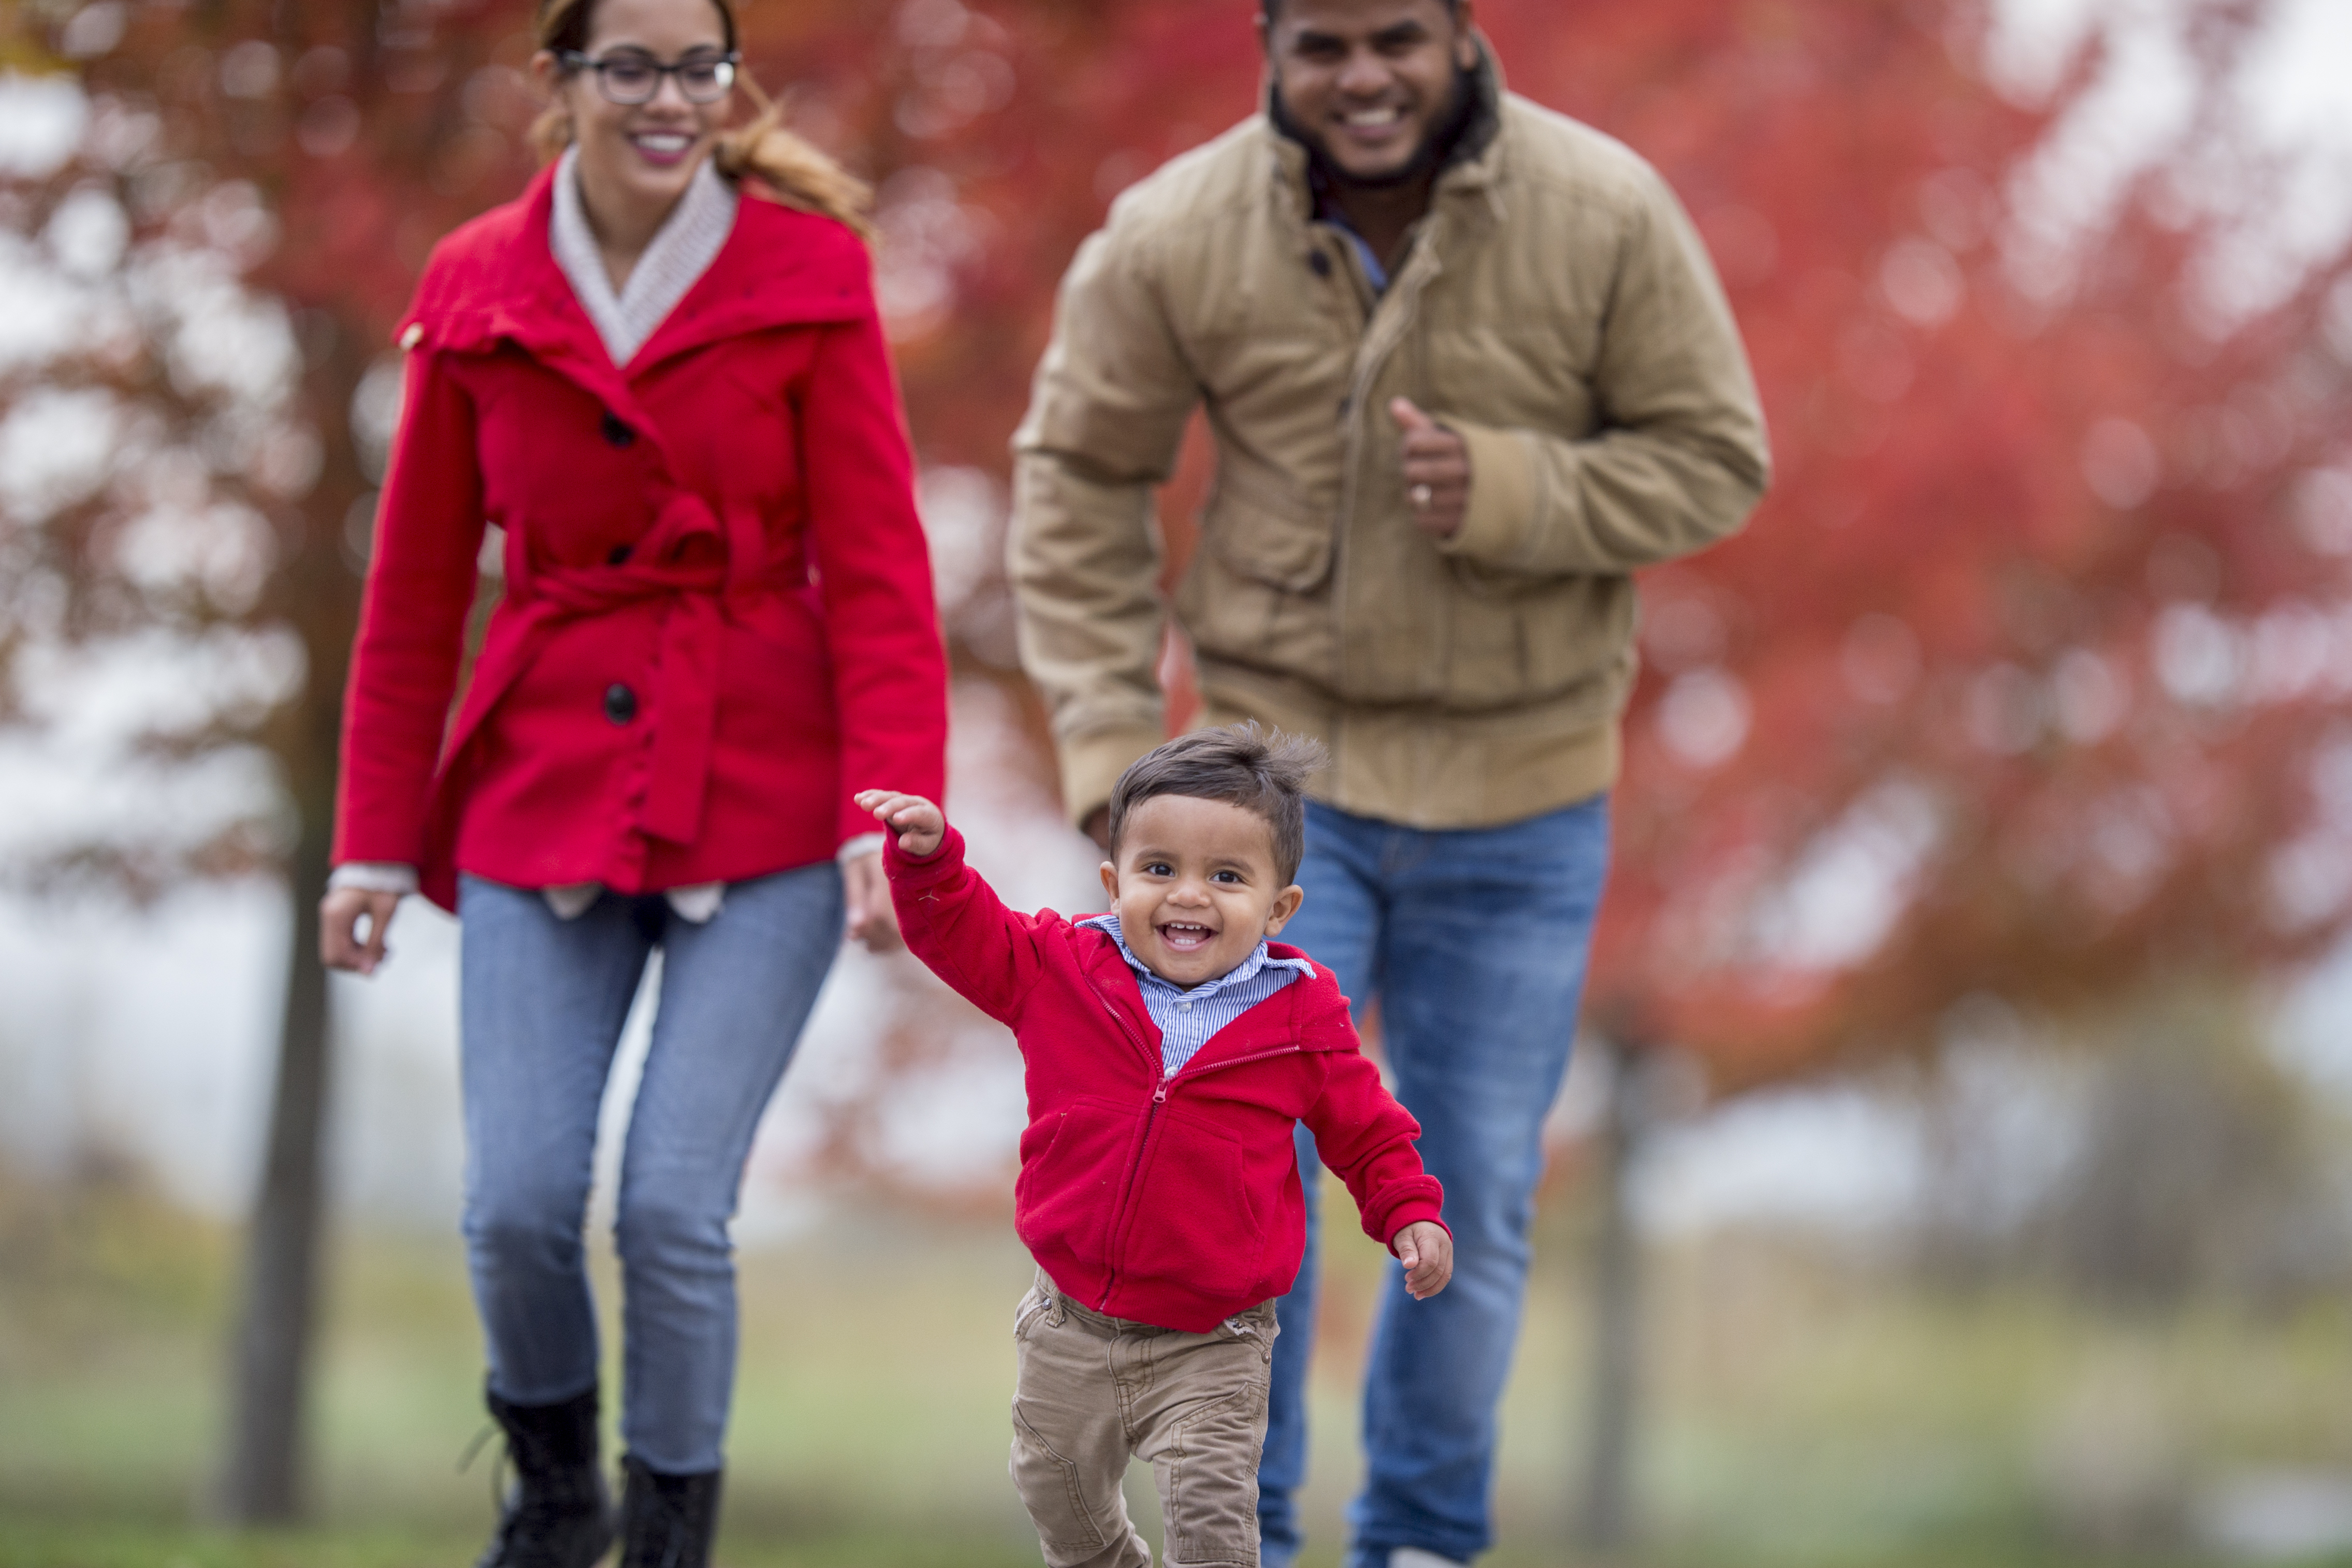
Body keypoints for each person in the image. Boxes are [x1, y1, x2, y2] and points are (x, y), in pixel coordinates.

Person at [1008, 1, 1772, 1562]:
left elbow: (1716, 454)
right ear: (1269, 44)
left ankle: (1422, 1535)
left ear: (1460, 32)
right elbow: (1077, 472)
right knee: (1244, 1163)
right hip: (1285, 790)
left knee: (1470, 1187)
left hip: (1523, 792)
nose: (1362, 78)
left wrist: (1520, 485)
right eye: (1324, 44)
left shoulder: (1602, 207)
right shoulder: (1173, 230)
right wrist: (1105, 751)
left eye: (1396, 39)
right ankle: (1254, 1536)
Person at [317, 1, 948, 1563]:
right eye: (631, 66)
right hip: (540, 779)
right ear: (565, 80)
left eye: (698, 67)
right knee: (519, 1201)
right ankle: (552, 1497)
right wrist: (370, 849)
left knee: (671, 1205)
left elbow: (877, 571)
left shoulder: (809, 273)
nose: (669, 99)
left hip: (771, 789)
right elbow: (409, 598)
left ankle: (670, 1529)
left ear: (726, 85)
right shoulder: (473, 283)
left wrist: (892, 812)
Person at [859, 725, 1454, 1568]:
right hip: (1070, 1322)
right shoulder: (1061, 969)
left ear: (1278, 907)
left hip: (1213, 1341)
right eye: (1160, 869)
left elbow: (1367, 1131)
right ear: (1115, 882)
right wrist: (929, 864)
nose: (1188, 896)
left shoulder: (1301, 1021)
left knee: (1212, 1525)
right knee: (1053, 1489)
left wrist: (1407, 1211)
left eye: (1226, 877)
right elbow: (966, 936)